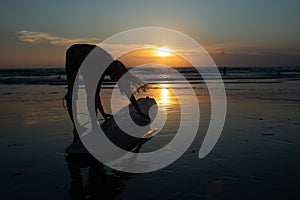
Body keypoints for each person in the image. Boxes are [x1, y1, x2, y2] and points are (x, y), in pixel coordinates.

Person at [64, 44, 149, 141]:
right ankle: (92, 127)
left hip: (73, 50)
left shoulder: (108, 65)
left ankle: (76, 128)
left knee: (72, 93)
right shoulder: (107, 67)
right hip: (87, 54)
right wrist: (140, 112)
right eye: (116, 77)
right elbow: (127, 92)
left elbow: (97, 94)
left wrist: (103, 113)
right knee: (88, 94)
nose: (115, 79)